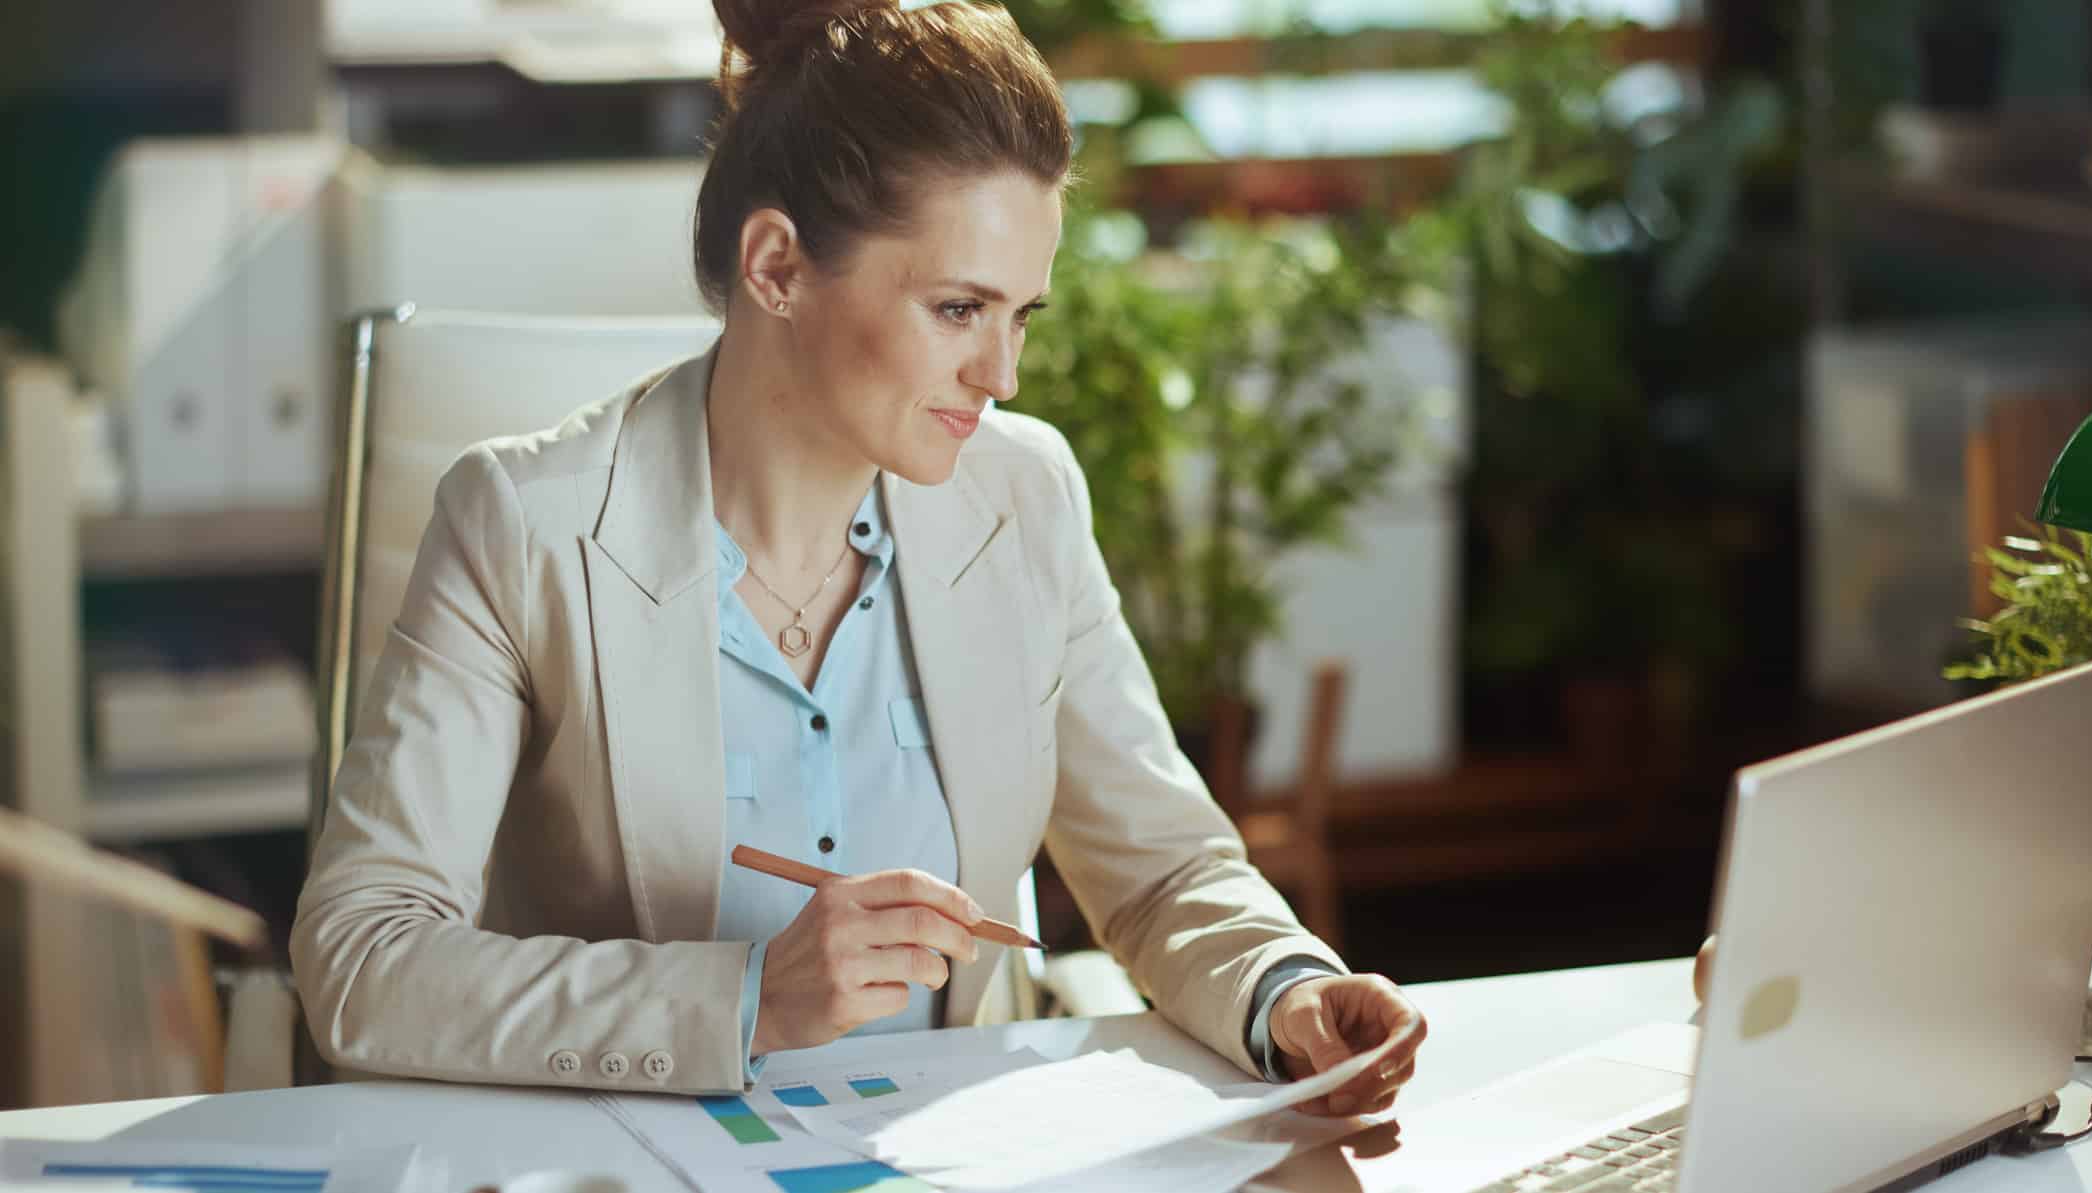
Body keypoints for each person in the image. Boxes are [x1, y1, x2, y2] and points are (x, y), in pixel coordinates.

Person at [292, 0, 1424, 1116]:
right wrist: (745, 997)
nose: (1002, 374)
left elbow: (1165, 870)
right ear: (777, 266)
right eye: (958, 308)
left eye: (1021, 314)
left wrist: (1289, 989)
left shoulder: (1024, 498)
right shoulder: (525, 525)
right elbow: (362, 953)